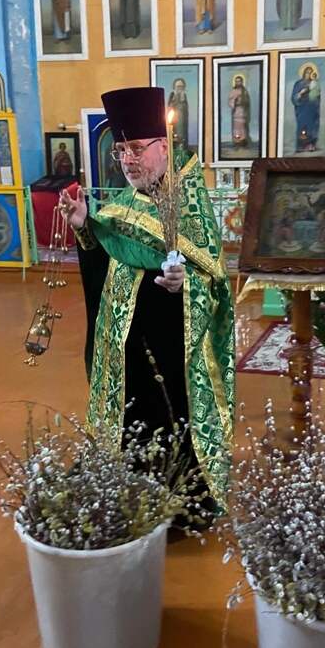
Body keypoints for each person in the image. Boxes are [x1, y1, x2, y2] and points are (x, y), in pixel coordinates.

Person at [59, 86, 234, 515]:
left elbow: (214, 286)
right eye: (120, 150)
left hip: (171, 349)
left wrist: (184, 285)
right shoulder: (122, 204)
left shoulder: (190, 206)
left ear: (164, 146)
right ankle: (121, 489)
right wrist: (84, 227)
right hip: (124, 350)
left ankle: (177, 500)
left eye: (136, 148)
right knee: (129, 417)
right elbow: (104, 261)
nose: (128, 160)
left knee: (166, 416)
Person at [291, 64, 320, 152]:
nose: (308, 74)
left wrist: (315, 98)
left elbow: (317, 96)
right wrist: (300, 94)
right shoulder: (298, 84)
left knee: (312, 128)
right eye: (307, 72)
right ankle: (301, 146)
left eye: (310, 73)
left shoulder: (314, 83)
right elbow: (294, 97)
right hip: (302, 110)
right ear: (304, 73)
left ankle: (311, 145)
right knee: (302, 128)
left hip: (312, 109)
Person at [228, 74, 250, 148]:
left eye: (239, 81)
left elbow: (247, 101)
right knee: (237, 129)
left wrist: (244, 102)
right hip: (236, 112)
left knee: (243, 128)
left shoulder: (245, 91)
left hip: (243, 112)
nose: (238, 83)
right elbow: (230, 102)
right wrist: (235, 101)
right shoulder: (233, 91)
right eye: (236, 81)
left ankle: (243, 141)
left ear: (242, 82)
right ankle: (237, 142)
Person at [167, 78, 190, 150]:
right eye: (178, 86)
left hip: (181, 121)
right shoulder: (172, 95)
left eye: (181, 86)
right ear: (174, 87)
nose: (179, 88)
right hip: (173, 121)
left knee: (181, 138)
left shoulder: (184, 96)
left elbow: (185, 108)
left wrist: (182, 101)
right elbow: (169, 107)